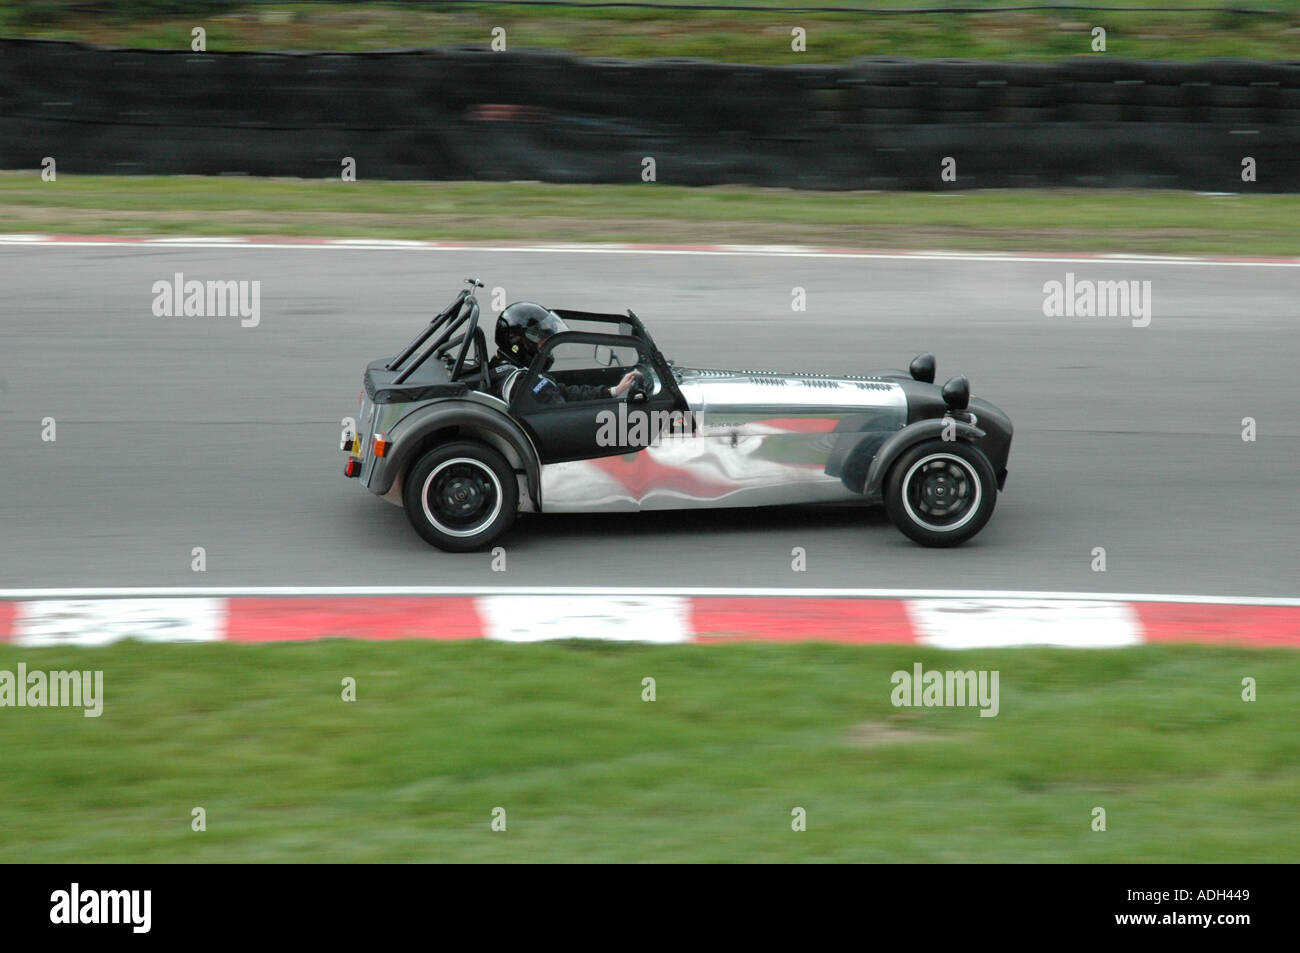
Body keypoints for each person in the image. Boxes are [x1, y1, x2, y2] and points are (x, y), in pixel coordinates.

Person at [487, 301, 642, 405]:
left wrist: (613, 391)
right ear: (520, 343)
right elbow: (562, 410)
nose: (545, 344)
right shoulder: (524, 383)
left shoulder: (500, 366)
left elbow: (561, 391)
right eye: (540, 339)